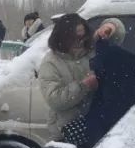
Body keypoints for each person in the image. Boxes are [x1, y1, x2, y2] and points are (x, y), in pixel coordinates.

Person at [61, 18, 135, 148]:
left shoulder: (110, 60)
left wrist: (109, 28)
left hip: (106, 131)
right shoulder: (134, 63)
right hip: (121, 128)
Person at [39, 13, 96, 141]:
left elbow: (116, 37)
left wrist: (112, 25)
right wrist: (84, 85)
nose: (80, 41)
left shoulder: (90, 52)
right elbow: (55, 99)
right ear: (63, 37)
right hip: (66, 131)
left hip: (94, 125)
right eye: (75, 37)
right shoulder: (51, 62)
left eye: (83, 36)